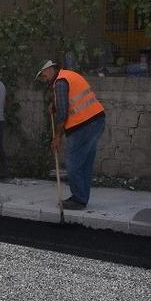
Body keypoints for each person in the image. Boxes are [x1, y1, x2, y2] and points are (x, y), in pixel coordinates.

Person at [36, 60, 105, 210]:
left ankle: (79, 199)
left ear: (48, 70)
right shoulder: (67, 75)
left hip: (83, 125)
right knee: (85, 162)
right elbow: (69, 99)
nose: (44, 79)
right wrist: (54, 105)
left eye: (42, 75)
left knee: (73, 162)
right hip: (97, 120)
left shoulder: (60, 82)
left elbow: (62, 114)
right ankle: (81, 197)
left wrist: (57, 138)